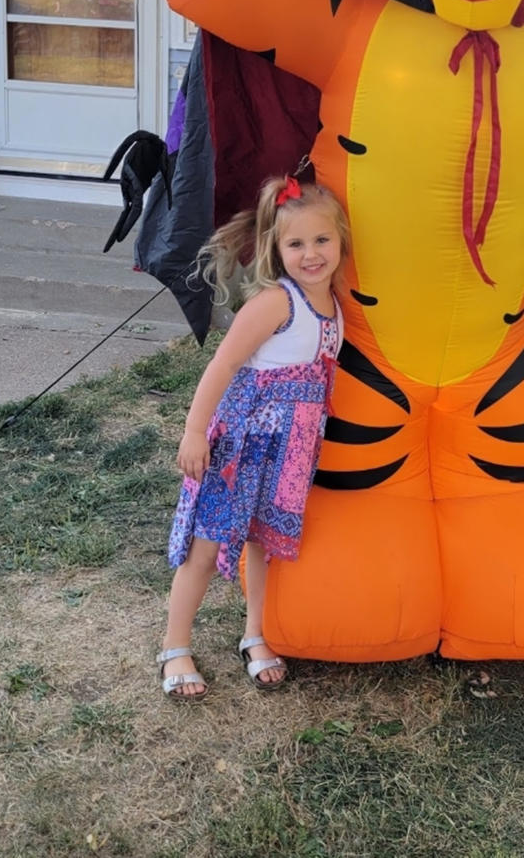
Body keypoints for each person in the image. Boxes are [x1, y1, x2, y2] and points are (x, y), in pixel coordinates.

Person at [157, 175, 348, 697]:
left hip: (290, 451)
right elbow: (223, 366)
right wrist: (195, 431)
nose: (311, 254)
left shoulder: (334, 305)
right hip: (242, 445)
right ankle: (175, 645)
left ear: (341, 241)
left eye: (321, 240)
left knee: (265, 543)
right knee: (207, 542)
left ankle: (256, 633)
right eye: (296, 244)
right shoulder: (275, 303)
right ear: (275, 248)